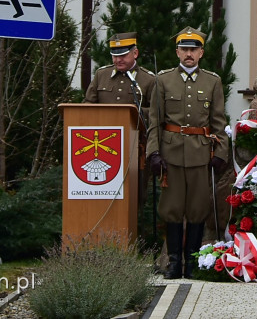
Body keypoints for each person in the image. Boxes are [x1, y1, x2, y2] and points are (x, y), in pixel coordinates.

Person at [146, 26, 228, 279]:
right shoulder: (163, 80)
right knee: (171, 209)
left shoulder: (212, 81)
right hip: (170, 154)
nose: (189, 54)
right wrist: (153, 152)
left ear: (201, 52)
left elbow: (219, 122)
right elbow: (154, 121)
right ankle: (173, 264)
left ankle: (192, 263)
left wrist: (221, 153)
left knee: (197, 209)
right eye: (184, 49)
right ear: (177, 52)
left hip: (200, 155)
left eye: (193, 49)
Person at [84, 32, 156, 205]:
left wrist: (132, 113)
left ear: (135, 53)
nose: (118, 60)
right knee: (102, 194)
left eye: (123, 56)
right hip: (102, 146)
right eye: (114, 56)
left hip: (134, 146)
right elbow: (87, 106)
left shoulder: (148, 79)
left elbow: (155, 113)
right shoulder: (102, 75)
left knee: (133, 197)